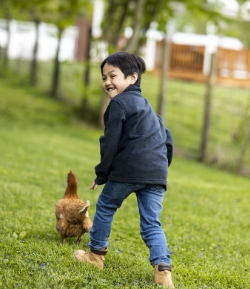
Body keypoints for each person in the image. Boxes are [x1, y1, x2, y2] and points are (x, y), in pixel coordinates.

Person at [73, 52, 175, 288]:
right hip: (156, 174)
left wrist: (102, 174)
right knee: (152, 223)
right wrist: (158, 168)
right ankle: (163, 272)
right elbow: (167, 138)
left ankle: (95, 256)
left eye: (113, 75)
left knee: (107, 207)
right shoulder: (149, 109)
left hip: (128, 169)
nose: (107, 81)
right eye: (104, 77)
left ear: (132, 77)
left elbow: (110, 142)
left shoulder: (118, 103)